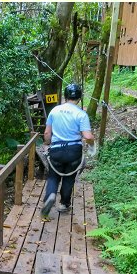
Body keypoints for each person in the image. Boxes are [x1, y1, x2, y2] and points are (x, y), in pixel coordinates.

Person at [41, 83, 94, 218]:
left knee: (53, 176)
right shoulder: (81, 114)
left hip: (57, 150)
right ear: (79, 98)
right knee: (69, 177)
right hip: (74, 151)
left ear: (65, 96)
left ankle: (50, 195)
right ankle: (64, 204)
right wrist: (92, 145)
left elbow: (47, 133)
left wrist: (47, 144)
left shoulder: (54, 111)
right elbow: (87, 136)